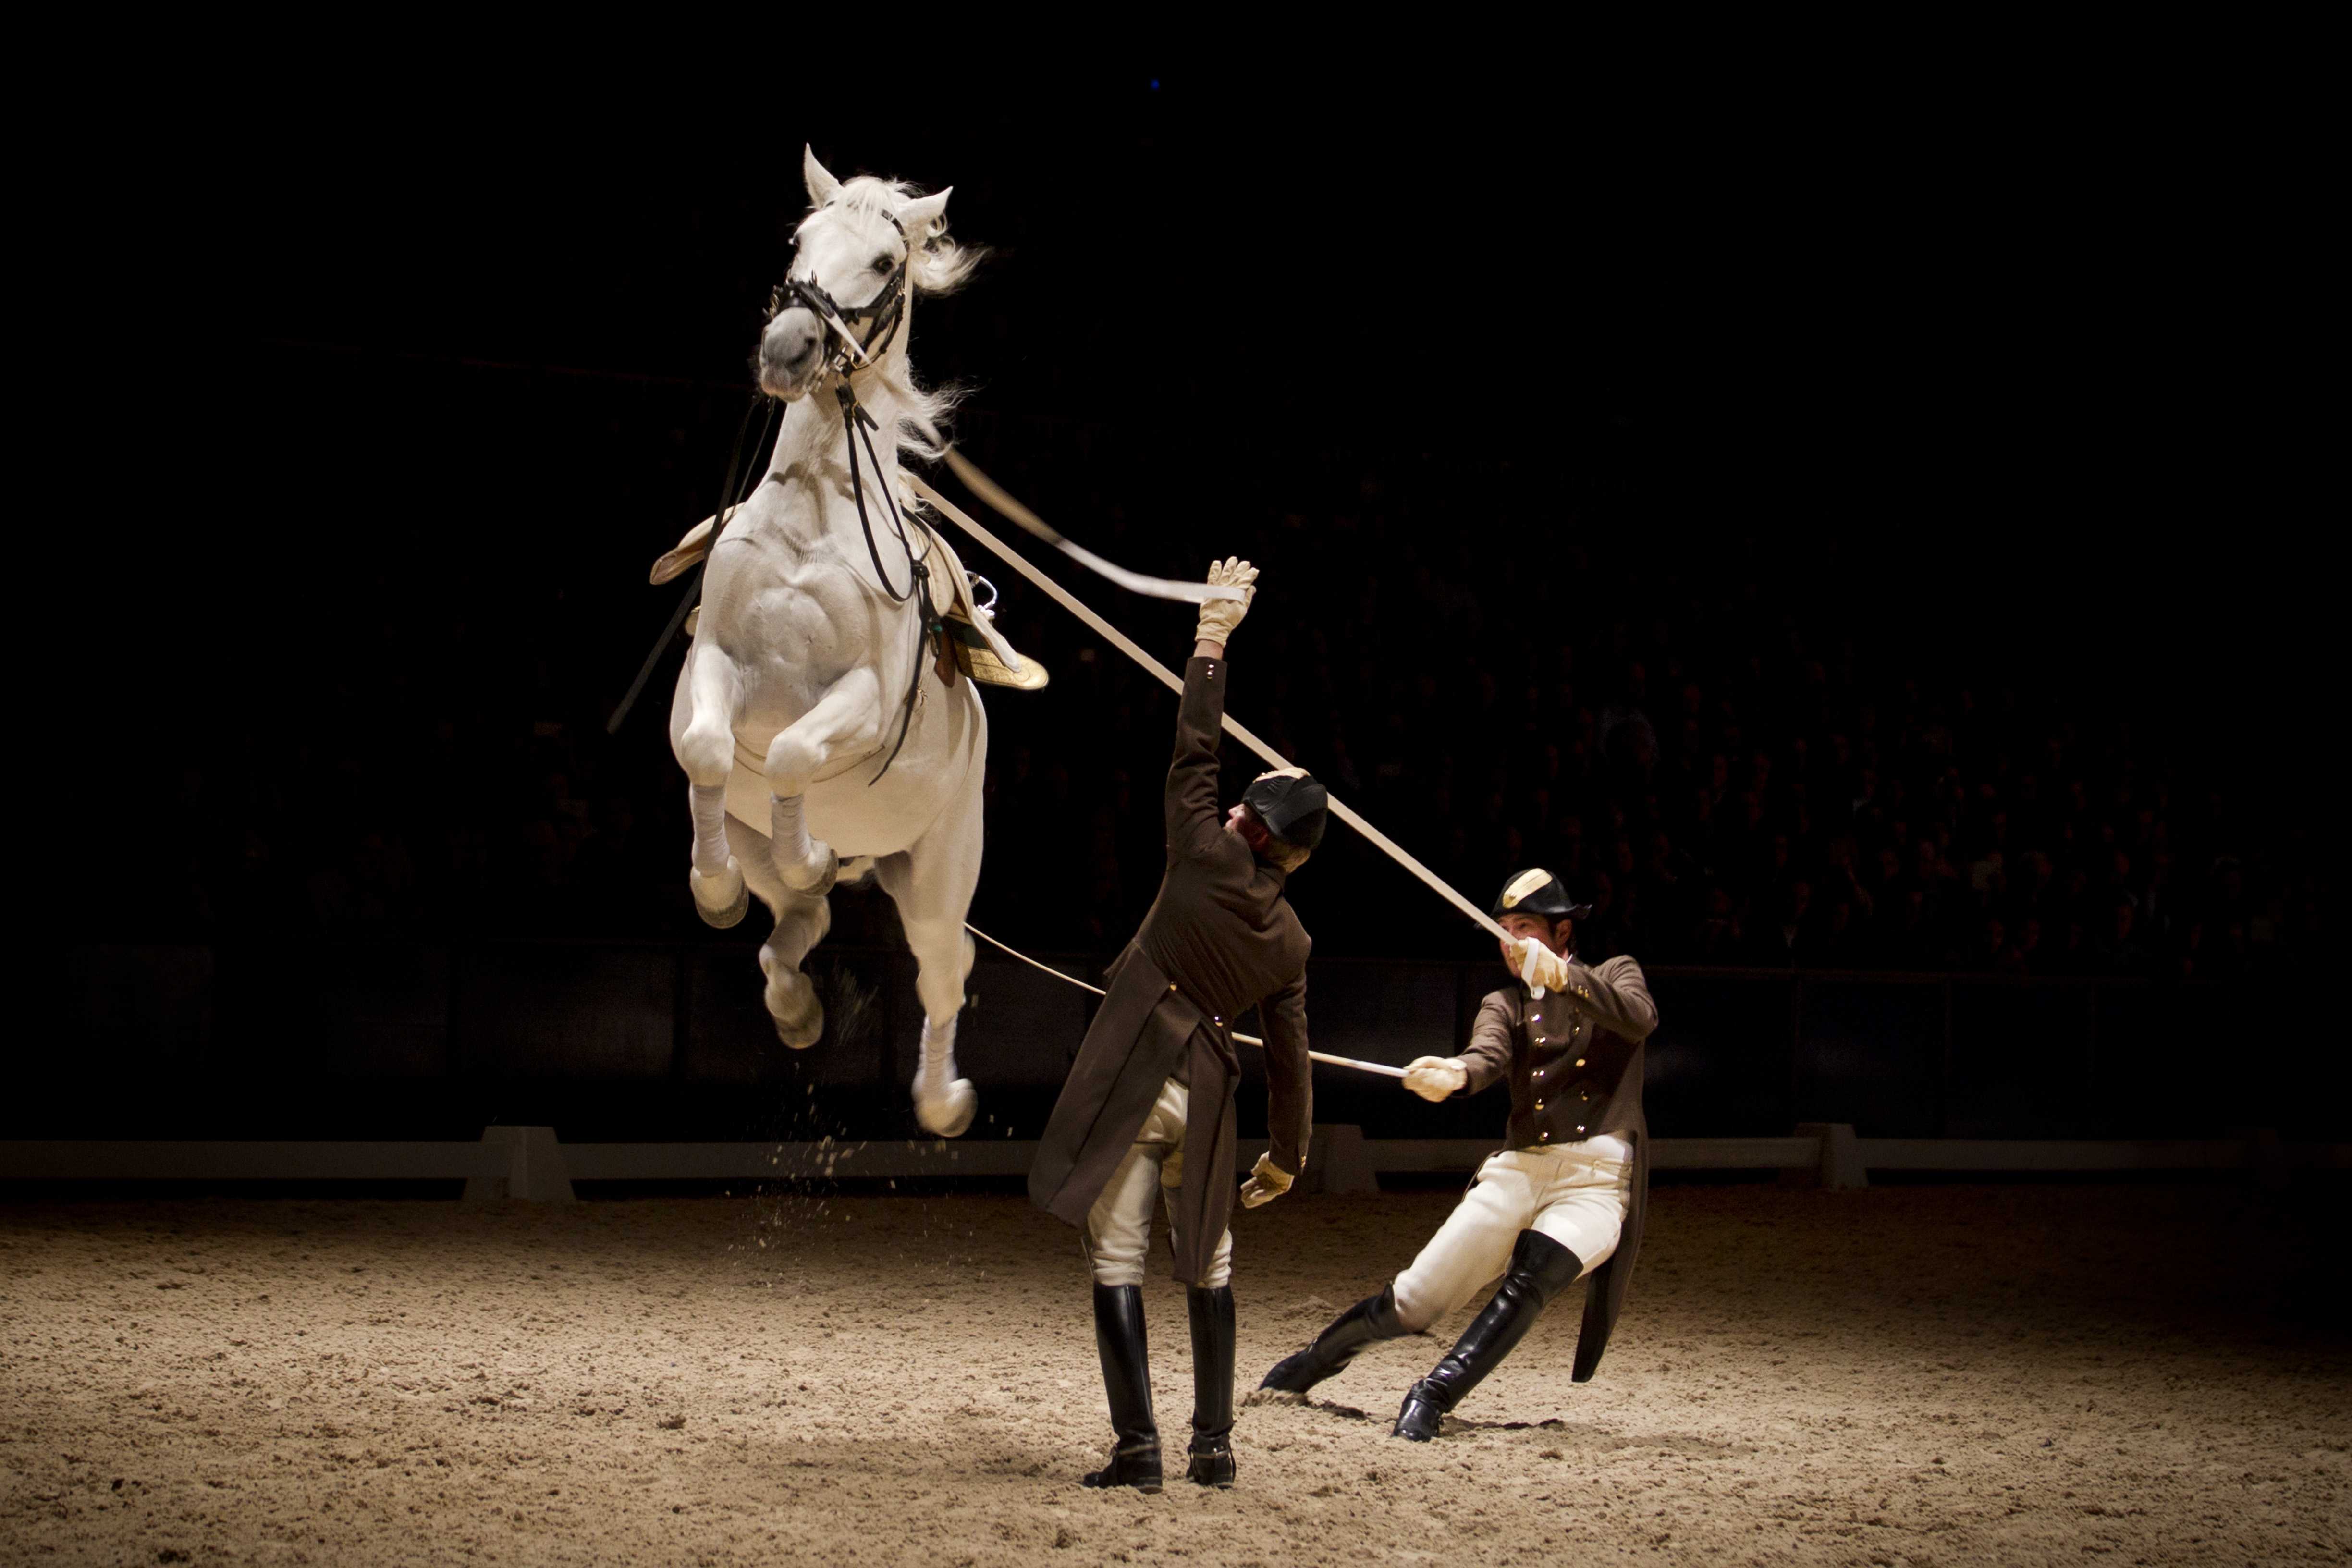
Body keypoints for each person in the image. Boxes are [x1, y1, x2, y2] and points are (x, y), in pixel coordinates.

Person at [1028, 558, 1326, 1493]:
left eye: (1249, 805)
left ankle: (1139, 1449)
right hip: (1208, 1092)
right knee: (1210, 1261)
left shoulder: (1201, 851)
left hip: (1135, 1075)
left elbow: (1193, 748)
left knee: (1116, 1257)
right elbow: (1287, 1058)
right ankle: (1215, 1446)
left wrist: (1210, 642)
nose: (1234, 802)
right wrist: (1288, 1154)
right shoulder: (1293, 942)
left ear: (1255, 832)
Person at [1252, 867, 1656, 1440]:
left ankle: (1434, 1393)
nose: (1512, 942)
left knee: (1535, 1273)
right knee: (1415, 1301)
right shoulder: (1504, 1002)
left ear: (1564, 934)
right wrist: (1454, 1073)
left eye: (1527, 928)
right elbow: (1485, 1055)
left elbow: (1639, 1018)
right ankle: (1315, 1361)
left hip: (1596, 1180)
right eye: (1505, 928)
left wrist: (1565, 980)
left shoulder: (1615, 974)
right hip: (1522, 1170)